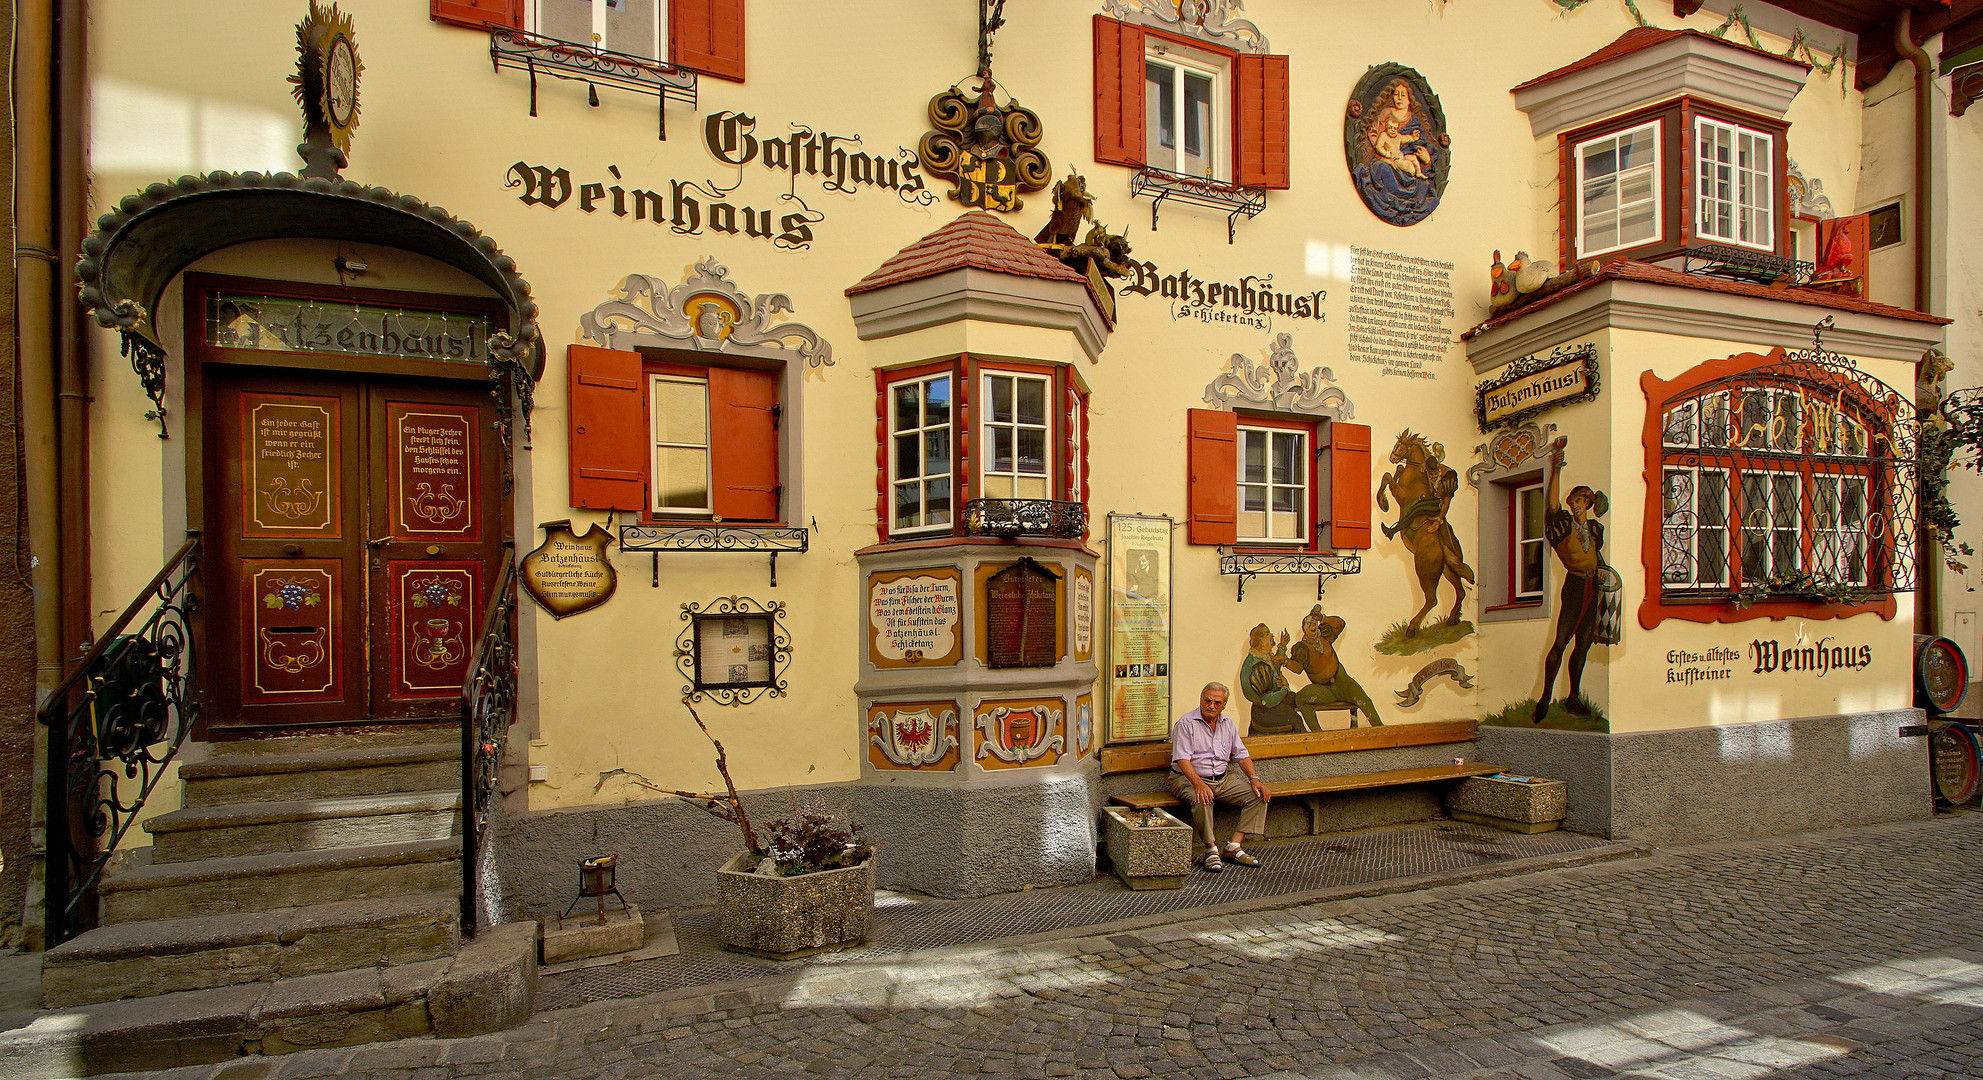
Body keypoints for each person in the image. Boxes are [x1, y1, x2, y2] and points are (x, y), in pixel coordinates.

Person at [1534, 437, 1612, 721]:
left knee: (1584, 642)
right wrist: (1556, 466)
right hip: (1576, 585)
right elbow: (1552, 503)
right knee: (1561, 641)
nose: (1578, 505)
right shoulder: (1562, 522)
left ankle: (1574, 696)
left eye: (1582, 501)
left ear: (1589, 504)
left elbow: (1595, 555)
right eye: (1576, 501)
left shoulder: (1594, 527)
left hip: (1594, 584)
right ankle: (1544, 698)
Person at [1169, 683, 1269, 872]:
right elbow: (1182, 759)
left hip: (1223, 778)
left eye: (1217, 702)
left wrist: (1254, 778)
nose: (1211, 705)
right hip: (1187, 778)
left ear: (1224, 705)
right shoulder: (1186, 723)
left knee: (1258, 795)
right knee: (1203, 798)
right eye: (1208, 700)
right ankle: (1210, 849)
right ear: (1201, 700)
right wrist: (1198, 784)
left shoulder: (1228, 723)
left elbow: (1241, 754)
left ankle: (1233, 847)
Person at [1282, 605, 1383, 729]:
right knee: (1300, 698)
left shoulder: (1325, 636)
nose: (1312, 624)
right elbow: (1297, 668)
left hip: (1343, 682)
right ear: (1304, 629)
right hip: (1324, 690)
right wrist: (1285, 661)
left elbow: (1340, 623)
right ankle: (1318, 735)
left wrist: (1322, 618)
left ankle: (1382, 732)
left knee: (1365, 701)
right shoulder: (1302, 647)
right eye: (1308, 623)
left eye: (1314, 621)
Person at [1238, 623, 1302, 735]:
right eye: (1267, 634)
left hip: (1272, 705)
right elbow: (1269, 700)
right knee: (1296, 720)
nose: (1271, 635)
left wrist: (1282, 646)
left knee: (1300, 700)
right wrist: (1285, 689)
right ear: (1260, 644)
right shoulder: (1258, 666)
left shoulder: (1263, 656)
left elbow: (1274, 668)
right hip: (1265, 711)